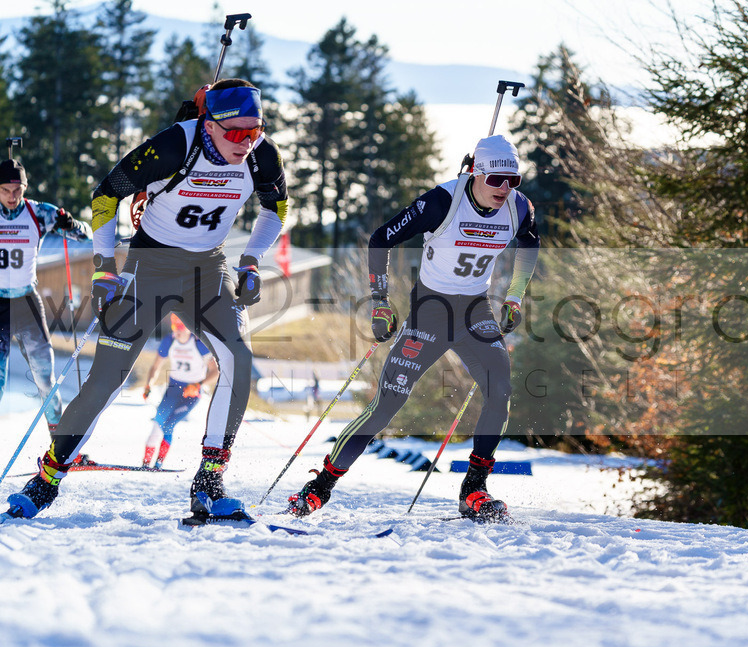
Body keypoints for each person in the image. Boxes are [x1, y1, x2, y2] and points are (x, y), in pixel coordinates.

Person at [6, 78, 289, 520]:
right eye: (236, 133)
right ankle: (48, 478)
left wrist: (251, 261)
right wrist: (102, 265)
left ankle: (210, 483)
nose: (247, 143)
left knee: (238, 358)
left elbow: (277, 208)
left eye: (256, 131)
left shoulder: (262, 155)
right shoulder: (175, 146)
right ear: (209, 125)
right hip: (148, 268)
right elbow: (106, 194)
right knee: (108, 376)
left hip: (208, 270)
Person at [287, 134, 539, 522]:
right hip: (430, 312)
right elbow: (380, 239)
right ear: (475, 173)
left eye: (513, 181)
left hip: (475, 310)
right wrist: (380, 301)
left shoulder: (519, 208)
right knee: (387, 402)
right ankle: (321, 485)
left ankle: (474, 489)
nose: (504, 190)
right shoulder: (441, 201)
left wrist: (515, 296)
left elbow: (530, 243)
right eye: (495, 180)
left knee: (500, 388)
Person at [0, 158, 92, 431]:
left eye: (18, 190)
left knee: (45, 379)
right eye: (5, 189)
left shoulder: (40, 212)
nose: (12, 196)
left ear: (26, 187)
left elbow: (85, 236)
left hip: (27, 302)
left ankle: (59, 447)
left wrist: (70, 223)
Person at [141, 313, 220, 469]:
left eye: (180, 327)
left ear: (188, 328)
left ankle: (158, 463)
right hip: (173, 389)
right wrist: (149, 384)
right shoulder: (169, 341)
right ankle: (145, 464)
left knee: (169, 425)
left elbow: (216, 372)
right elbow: (156, 366)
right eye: (174, 327)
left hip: (191, 393)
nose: (176, 331)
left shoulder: (200, 345)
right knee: (158, 422)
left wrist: (199, 384)